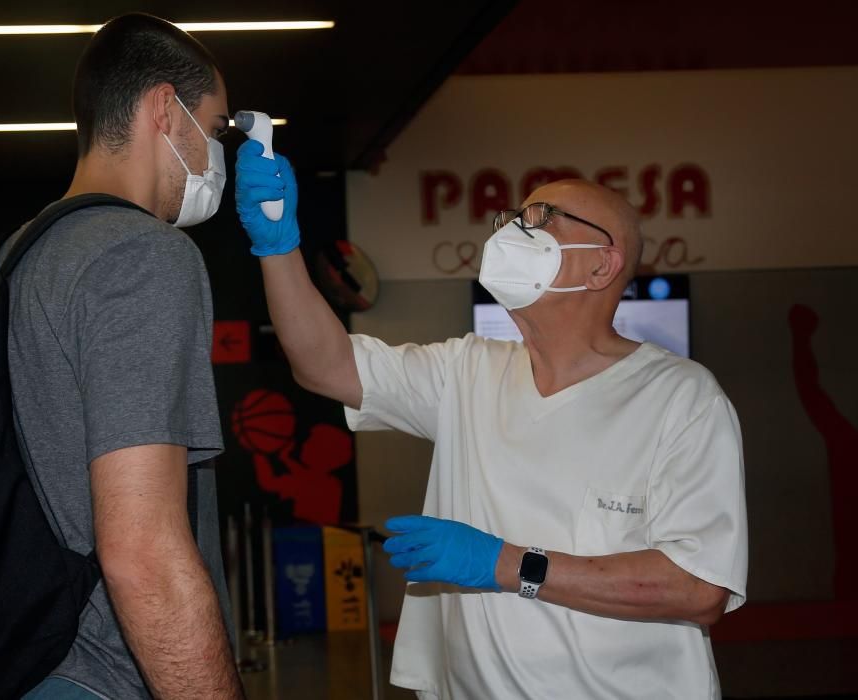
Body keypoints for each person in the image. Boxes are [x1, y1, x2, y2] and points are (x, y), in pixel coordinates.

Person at [234, 143, 748, 698]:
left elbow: (699, 588)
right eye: (514, 217)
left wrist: (507, 565)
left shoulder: (681, 397)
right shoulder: (467, 369)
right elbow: (325, 366)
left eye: (542, 219)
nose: (513, 231)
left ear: (603, 263)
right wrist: (277, 248)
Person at [0, 14, 242, 699]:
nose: (218, 155)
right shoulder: (141, 255)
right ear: (165, 109)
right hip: (97, 672)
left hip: (10, 657)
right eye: (215, 131)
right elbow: (142, 551)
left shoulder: (19, 254)